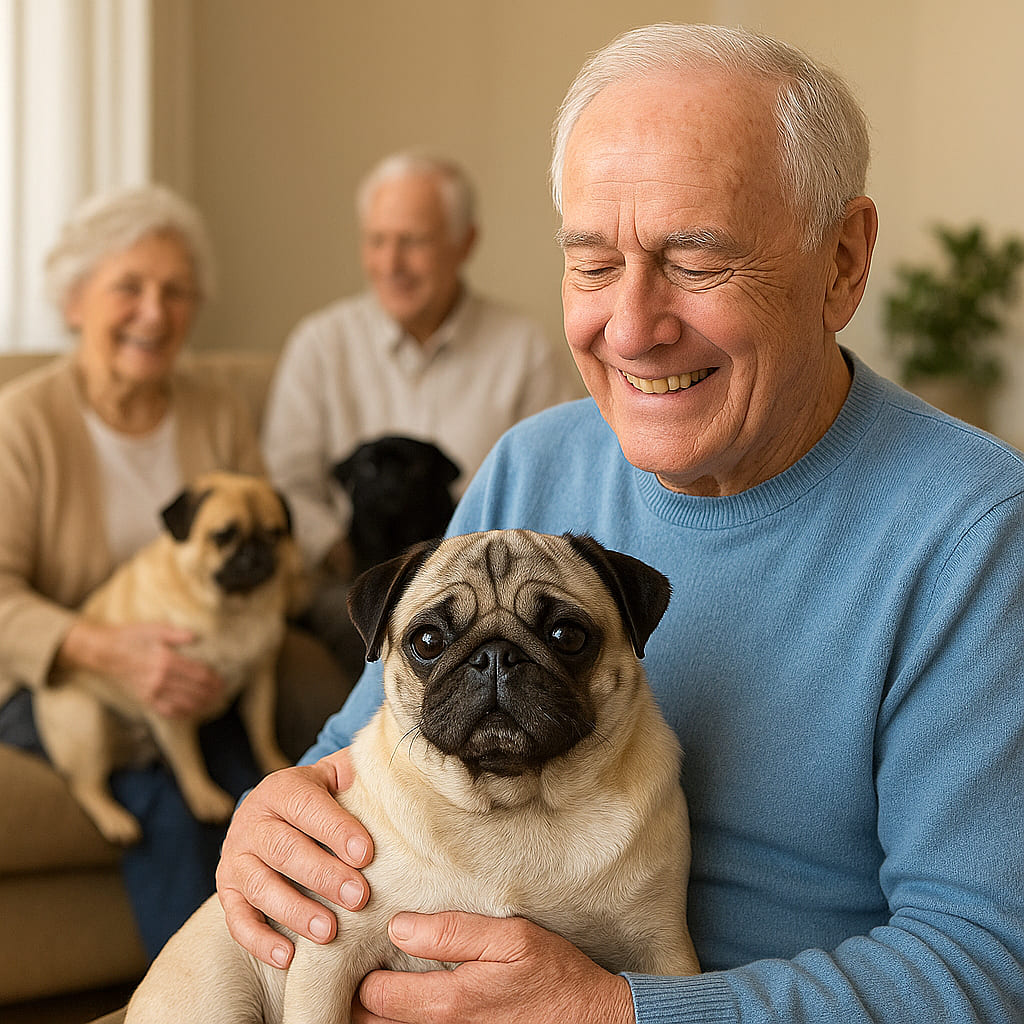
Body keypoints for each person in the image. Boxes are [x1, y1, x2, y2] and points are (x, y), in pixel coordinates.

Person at [215, 23, 1024, 1024]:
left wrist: (619, 1011)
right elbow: (364, 746)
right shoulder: (533, 462)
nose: (632, 328)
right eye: (592, 265)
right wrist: (275, 815)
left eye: (696, 262)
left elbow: (988, 964)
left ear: (843, 262)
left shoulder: (975, 533)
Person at [0, 184, 344, 959]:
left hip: (205, 664)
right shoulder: (23, 426)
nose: (155, 312)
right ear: (74, 300)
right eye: (130, 287)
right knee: (164, 789)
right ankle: (196, 993)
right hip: (58, 677)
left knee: (277, 777)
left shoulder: (215, 411)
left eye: (176, 291)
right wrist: (109, 651)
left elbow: (272, 552)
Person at [261, 150, 580, 581]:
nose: (391, 264)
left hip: (487, 585)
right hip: (351, 582)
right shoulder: (319, 344)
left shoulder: (524, 349)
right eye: (376, 241)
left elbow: (558, 483)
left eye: (412, 241)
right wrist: (343, 556)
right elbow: (286, 483)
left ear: (465, 243)